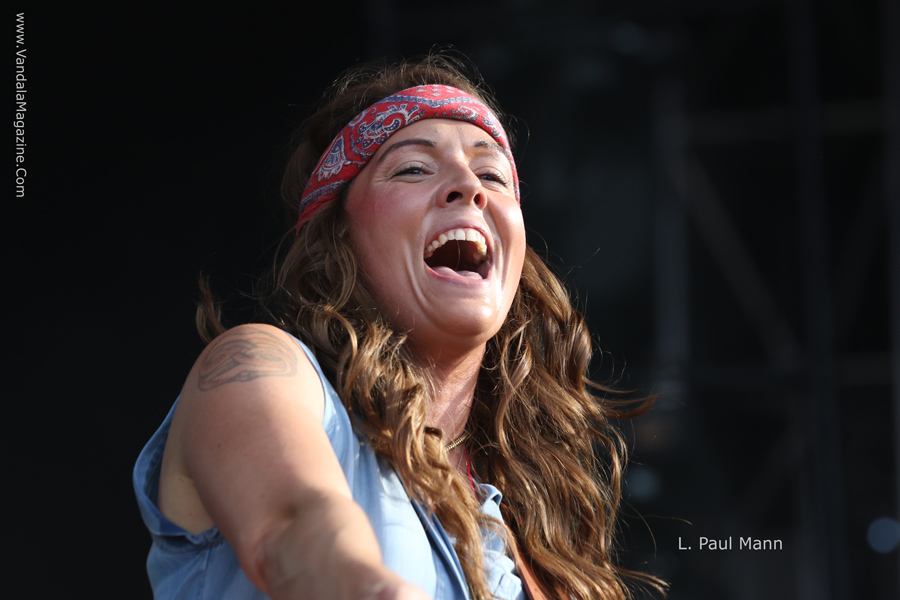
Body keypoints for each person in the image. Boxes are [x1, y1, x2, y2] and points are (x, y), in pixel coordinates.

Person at [133, 54, 665, 600]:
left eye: (492, 175)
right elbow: (295, 526)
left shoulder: (522, 524)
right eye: (413, 168)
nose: (469, 187)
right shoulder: (262, 369)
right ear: (336, 237)